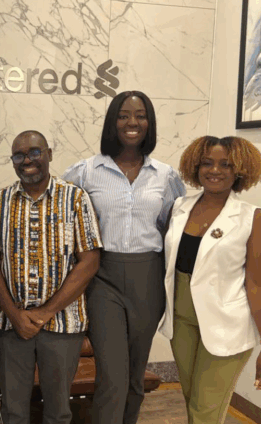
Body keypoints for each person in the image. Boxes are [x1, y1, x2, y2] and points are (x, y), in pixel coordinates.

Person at [62, 90, 186, 424]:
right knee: (113, 374)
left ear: (150, 122)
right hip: (103, 279)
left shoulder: (166, 176)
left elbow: (172, 226)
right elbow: (60, 215)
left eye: (140, 115)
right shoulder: (86, 171)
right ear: (112, 122)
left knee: (134, 374)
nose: (133, 122)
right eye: (124, 115)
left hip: (149, 279)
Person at [0, 130, 102, 424]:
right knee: (13, 411)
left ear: (49, 154)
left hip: (63, 325)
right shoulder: (1, 201)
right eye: (19, 156)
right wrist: (15, 315)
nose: (27, 161)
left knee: (58, 411)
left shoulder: (75, 198)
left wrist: (45, 312)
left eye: (35, 152)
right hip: (12, 326)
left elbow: (89, 261)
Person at [159, 135, 261, 424]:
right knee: (193, 400)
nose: (215, 170)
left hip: (227, 325)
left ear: (239, 170)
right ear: (195, 166)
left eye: (225, 165)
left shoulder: (251, 217)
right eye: (207, 163)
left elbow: (256, 284)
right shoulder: (179, 207)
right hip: (182, 323)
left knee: (206, 410)